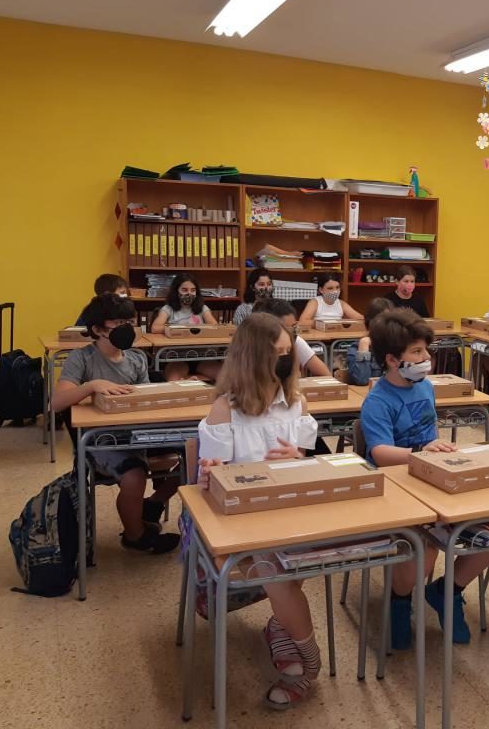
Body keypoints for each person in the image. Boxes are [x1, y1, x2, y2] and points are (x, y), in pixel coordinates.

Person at [196, 312, 321, 709]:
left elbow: (307, 471)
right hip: (243, 526)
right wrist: (211, 473)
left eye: (288, 352)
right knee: (274, 566)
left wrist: (298, 460)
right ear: (251, 359)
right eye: (276, 354)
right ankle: (310, 662)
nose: (285, 361)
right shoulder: (225, 411)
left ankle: (282, 628)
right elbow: (208, 488)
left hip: (289, 517)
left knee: (298, 553)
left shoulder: (297, 404)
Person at [360, 309, 489, 649]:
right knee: (422, 550)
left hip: (433, 476)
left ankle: (447, 591)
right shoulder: (378, 400)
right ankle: (399, 600)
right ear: (392, 359)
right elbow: (380, 452)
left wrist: (439, 454)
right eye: (417, 352)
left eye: (426, 350)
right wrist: (420, 452)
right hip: (396, 485)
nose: (427, 358)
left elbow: (430, 431)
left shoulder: (424, 387)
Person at [52, 293, 179, 553]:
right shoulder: (82, 359)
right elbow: (56, 403)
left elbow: (145, 401)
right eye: (119, 324)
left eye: (130, 322)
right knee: (134, 476)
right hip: (103, 440)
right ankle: (135, 536)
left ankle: (154, 503)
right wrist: (92, 386)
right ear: (98, 329)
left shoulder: (136, 358)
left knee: (195, 455)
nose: (127, 329)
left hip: (138, 434)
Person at [150, 273, 222, 381]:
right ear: (176, 291)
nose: (189, 293)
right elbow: (155, 328)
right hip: (176, 358)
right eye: (184, 290)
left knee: (228, 377)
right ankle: (188, 384)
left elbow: (215, 326)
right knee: (174, 380)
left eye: (193, 290)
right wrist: (180, 329)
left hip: (202, 357)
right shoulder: (168, 309)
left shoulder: (203, 308)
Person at [252, 297, 331, 377]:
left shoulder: (296, 341)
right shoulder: (250, 347)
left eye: (293, 326)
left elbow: (326, 375)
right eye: (285, 328)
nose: (290, 332)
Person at [347, 298, 394, 385]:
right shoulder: (356, 348)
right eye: (382, 320)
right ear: (370, 322)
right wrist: (363, 346)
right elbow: (362, 380)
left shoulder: (399, 345)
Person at [299, 273, 363, 324]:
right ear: (321, 290)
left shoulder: (341, 303)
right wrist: (324, 324)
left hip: (337, 334)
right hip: (319, 334)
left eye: (337, 287)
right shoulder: (315, 302)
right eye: (330, 288)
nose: (335, 291)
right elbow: (302, 321)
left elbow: (361, 319)